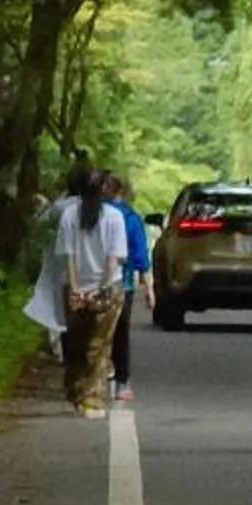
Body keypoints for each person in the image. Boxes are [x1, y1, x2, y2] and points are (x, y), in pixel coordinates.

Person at [36, 161, 129, 417]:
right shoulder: (115, 217)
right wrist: (99, 290)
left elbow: (69, 257)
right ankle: (88, 397)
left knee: (78, 344)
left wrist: (77, 291)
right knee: (98, 346)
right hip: (108, 290)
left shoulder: (68, 215)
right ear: (104, 190)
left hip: (77, 289)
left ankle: (81, 392)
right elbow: (113, 260)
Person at [102, 171, 153, 402]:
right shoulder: (131, 218)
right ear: (123, 192)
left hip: (91, 280)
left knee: (96, 332)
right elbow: (142, 258)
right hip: (123, 283)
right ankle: (122, 382)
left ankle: (95, 380)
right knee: (120, 332)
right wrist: (150, 289)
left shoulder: (93, 213)